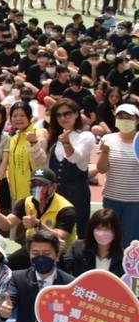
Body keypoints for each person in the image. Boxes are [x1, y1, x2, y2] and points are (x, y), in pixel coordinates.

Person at [0, 167, 78, 269]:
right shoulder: (26, 202)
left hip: (57, 252)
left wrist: (37, 225)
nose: (36, 188)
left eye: (41, 184)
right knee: (5, 267)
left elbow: (60, 237)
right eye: (33, 184)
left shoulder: (66, 209)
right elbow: (7, 225)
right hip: (33, 248)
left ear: (53, 187)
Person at [45, 97, 94, 233]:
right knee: (54, 231)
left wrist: (67, 143)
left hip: (77, 194)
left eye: (67, 113)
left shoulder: (86, 136)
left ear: (76, 114)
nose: (63, 118)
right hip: (55, 194)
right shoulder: (55, 138)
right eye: (59, 115)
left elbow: (75, 158)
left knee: (78, 231)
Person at [96, 102, 139, 245]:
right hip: (111, 198)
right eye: (121, 117)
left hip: (135, 201)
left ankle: (129, 268)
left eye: (129, 117)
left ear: (137, 120)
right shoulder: (108, 139)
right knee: (109, 239)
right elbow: (101, 169)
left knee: (131, 241)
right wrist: (105, 152)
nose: (124, 120)